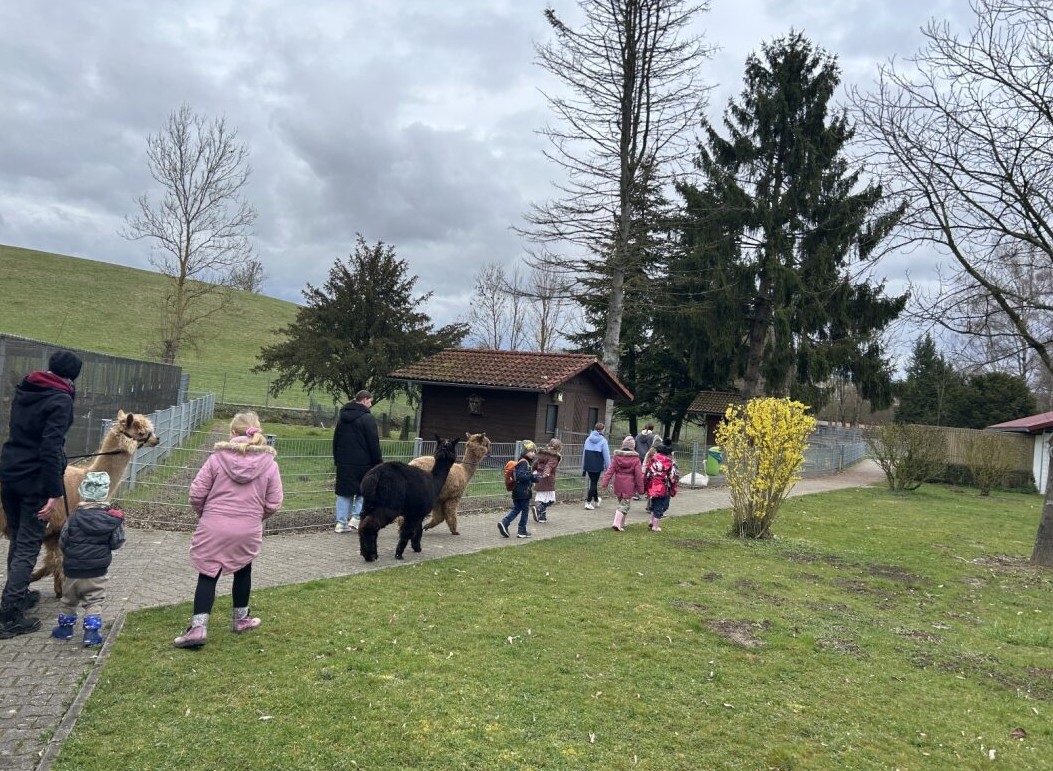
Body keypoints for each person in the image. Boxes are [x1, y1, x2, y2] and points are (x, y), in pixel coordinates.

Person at [173, 412, 283, 649]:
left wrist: (206, 514)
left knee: (207, 573)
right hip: (247, 528)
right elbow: (274, 502)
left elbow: (196, 493)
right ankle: (241, 620)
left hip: (214, 525)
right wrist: (255, 517)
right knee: (243, 569)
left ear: (233, 432)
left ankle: (198, 627)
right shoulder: (270, 464)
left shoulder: (216, 459)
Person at [0, 349, 82, 639]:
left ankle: (17, 594)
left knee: (18, 537)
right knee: (28, 544)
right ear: (72, 376)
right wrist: (53, 492)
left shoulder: (27, 389)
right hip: (34, 480)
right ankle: (10, 615)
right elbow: (49, 447)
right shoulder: (60, 400)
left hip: (10, 472)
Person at [51, 471, 125, 647]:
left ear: (83, 492)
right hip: (97, 572)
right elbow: (117, 542)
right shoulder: (111, 520)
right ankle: (91, 634)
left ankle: (65, 630)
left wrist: (71, 553)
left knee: (68, 601)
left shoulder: (73, 518)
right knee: (94, 601)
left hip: (72, 571)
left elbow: (63, 541)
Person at [332, 390, 382, 532]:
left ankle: (341, 523)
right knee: (364, 491)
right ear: (364, 400)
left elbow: (336, 440)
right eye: (370, 401)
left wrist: (337, 459)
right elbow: (373, 443)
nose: (371, 404)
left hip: (344, 462)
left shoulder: (342, 418)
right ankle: (356, 519)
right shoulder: (367, 418)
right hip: (364, 463)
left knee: (344, 492)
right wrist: (378, 463)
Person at [498, 441, 540, 539]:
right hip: (523, 492)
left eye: (534, 451)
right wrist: (532, 475)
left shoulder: (523, 462)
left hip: (518, 491)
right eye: (531, 451)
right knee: (525, 510)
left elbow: (527, 476)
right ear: (525, 452)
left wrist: (536, 478)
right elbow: (521, 476)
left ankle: (504, 523)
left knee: (517, 509)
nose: (533, 453)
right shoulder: (524, 462)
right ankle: (522, 531)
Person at [601, 436, 645, 532]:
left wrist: (605, 482)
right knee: (625, 505)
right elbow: (638, 475)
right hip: (629, 485)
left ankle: (622, 522)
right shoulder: (635, 459)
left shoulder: (617, 457)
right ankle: (617, 523)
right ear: (633, 447)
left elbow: (610, 471)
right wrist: (641, 489)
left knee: (622, 503)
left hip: (618, 483)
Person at [644, 438, 679, 532]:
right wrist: (673, 485)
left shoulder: (653, 459)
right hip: (663, 487)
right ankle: (655, 526)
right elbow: (673, 476)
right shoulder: (669, 462)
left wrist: (646, 484)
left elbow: (647, 471)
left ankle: (651, 521)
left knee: (653, 503)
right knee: (660, 506)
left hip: (652, 485)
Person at [531, 438, 563, 524]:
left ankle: (542, 517)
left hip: (538, 477)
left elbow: (535, 464)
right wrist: (546, 472)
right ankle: (538, 508)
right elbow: (549, 466)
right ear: (558, 448)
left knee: (542, 498)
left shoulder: (542, 454)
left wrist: (532, 471)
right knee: (550, 500)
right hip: (547, 479)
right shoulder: (554, 456)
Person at [581, 422, 610, 510]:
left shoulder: (588, 439)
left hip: (588, 463)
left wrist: (583, 467)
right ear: (603, 430)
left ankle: (596, 500)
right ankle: (588, 502)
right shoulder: (603, 441)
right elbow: (606, 456)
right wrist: (609, 468)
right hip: (597, 464)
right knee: (593, 483)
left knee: (593, 482)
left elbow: (584, 454)